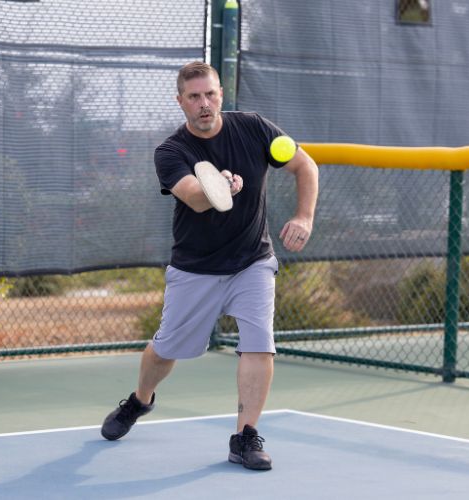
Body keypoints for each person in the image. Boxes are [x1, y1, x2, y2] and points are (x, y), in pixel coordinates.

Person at [100, 61, 319, 471]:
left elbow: (305, 165)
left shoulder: (254, 127)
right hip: (195, 268)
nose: (205, 104)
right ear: (180, 101)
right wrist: (220, 188)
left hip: (252, 260)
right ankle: (139, 401)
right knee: (168, 349)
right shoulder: (170, 151)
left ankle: (245, 436)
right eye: (195, 97)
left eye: (211, 94)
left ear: (221, 93)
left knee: (258, 344)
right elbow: (196, 198)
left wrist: (304, 216)